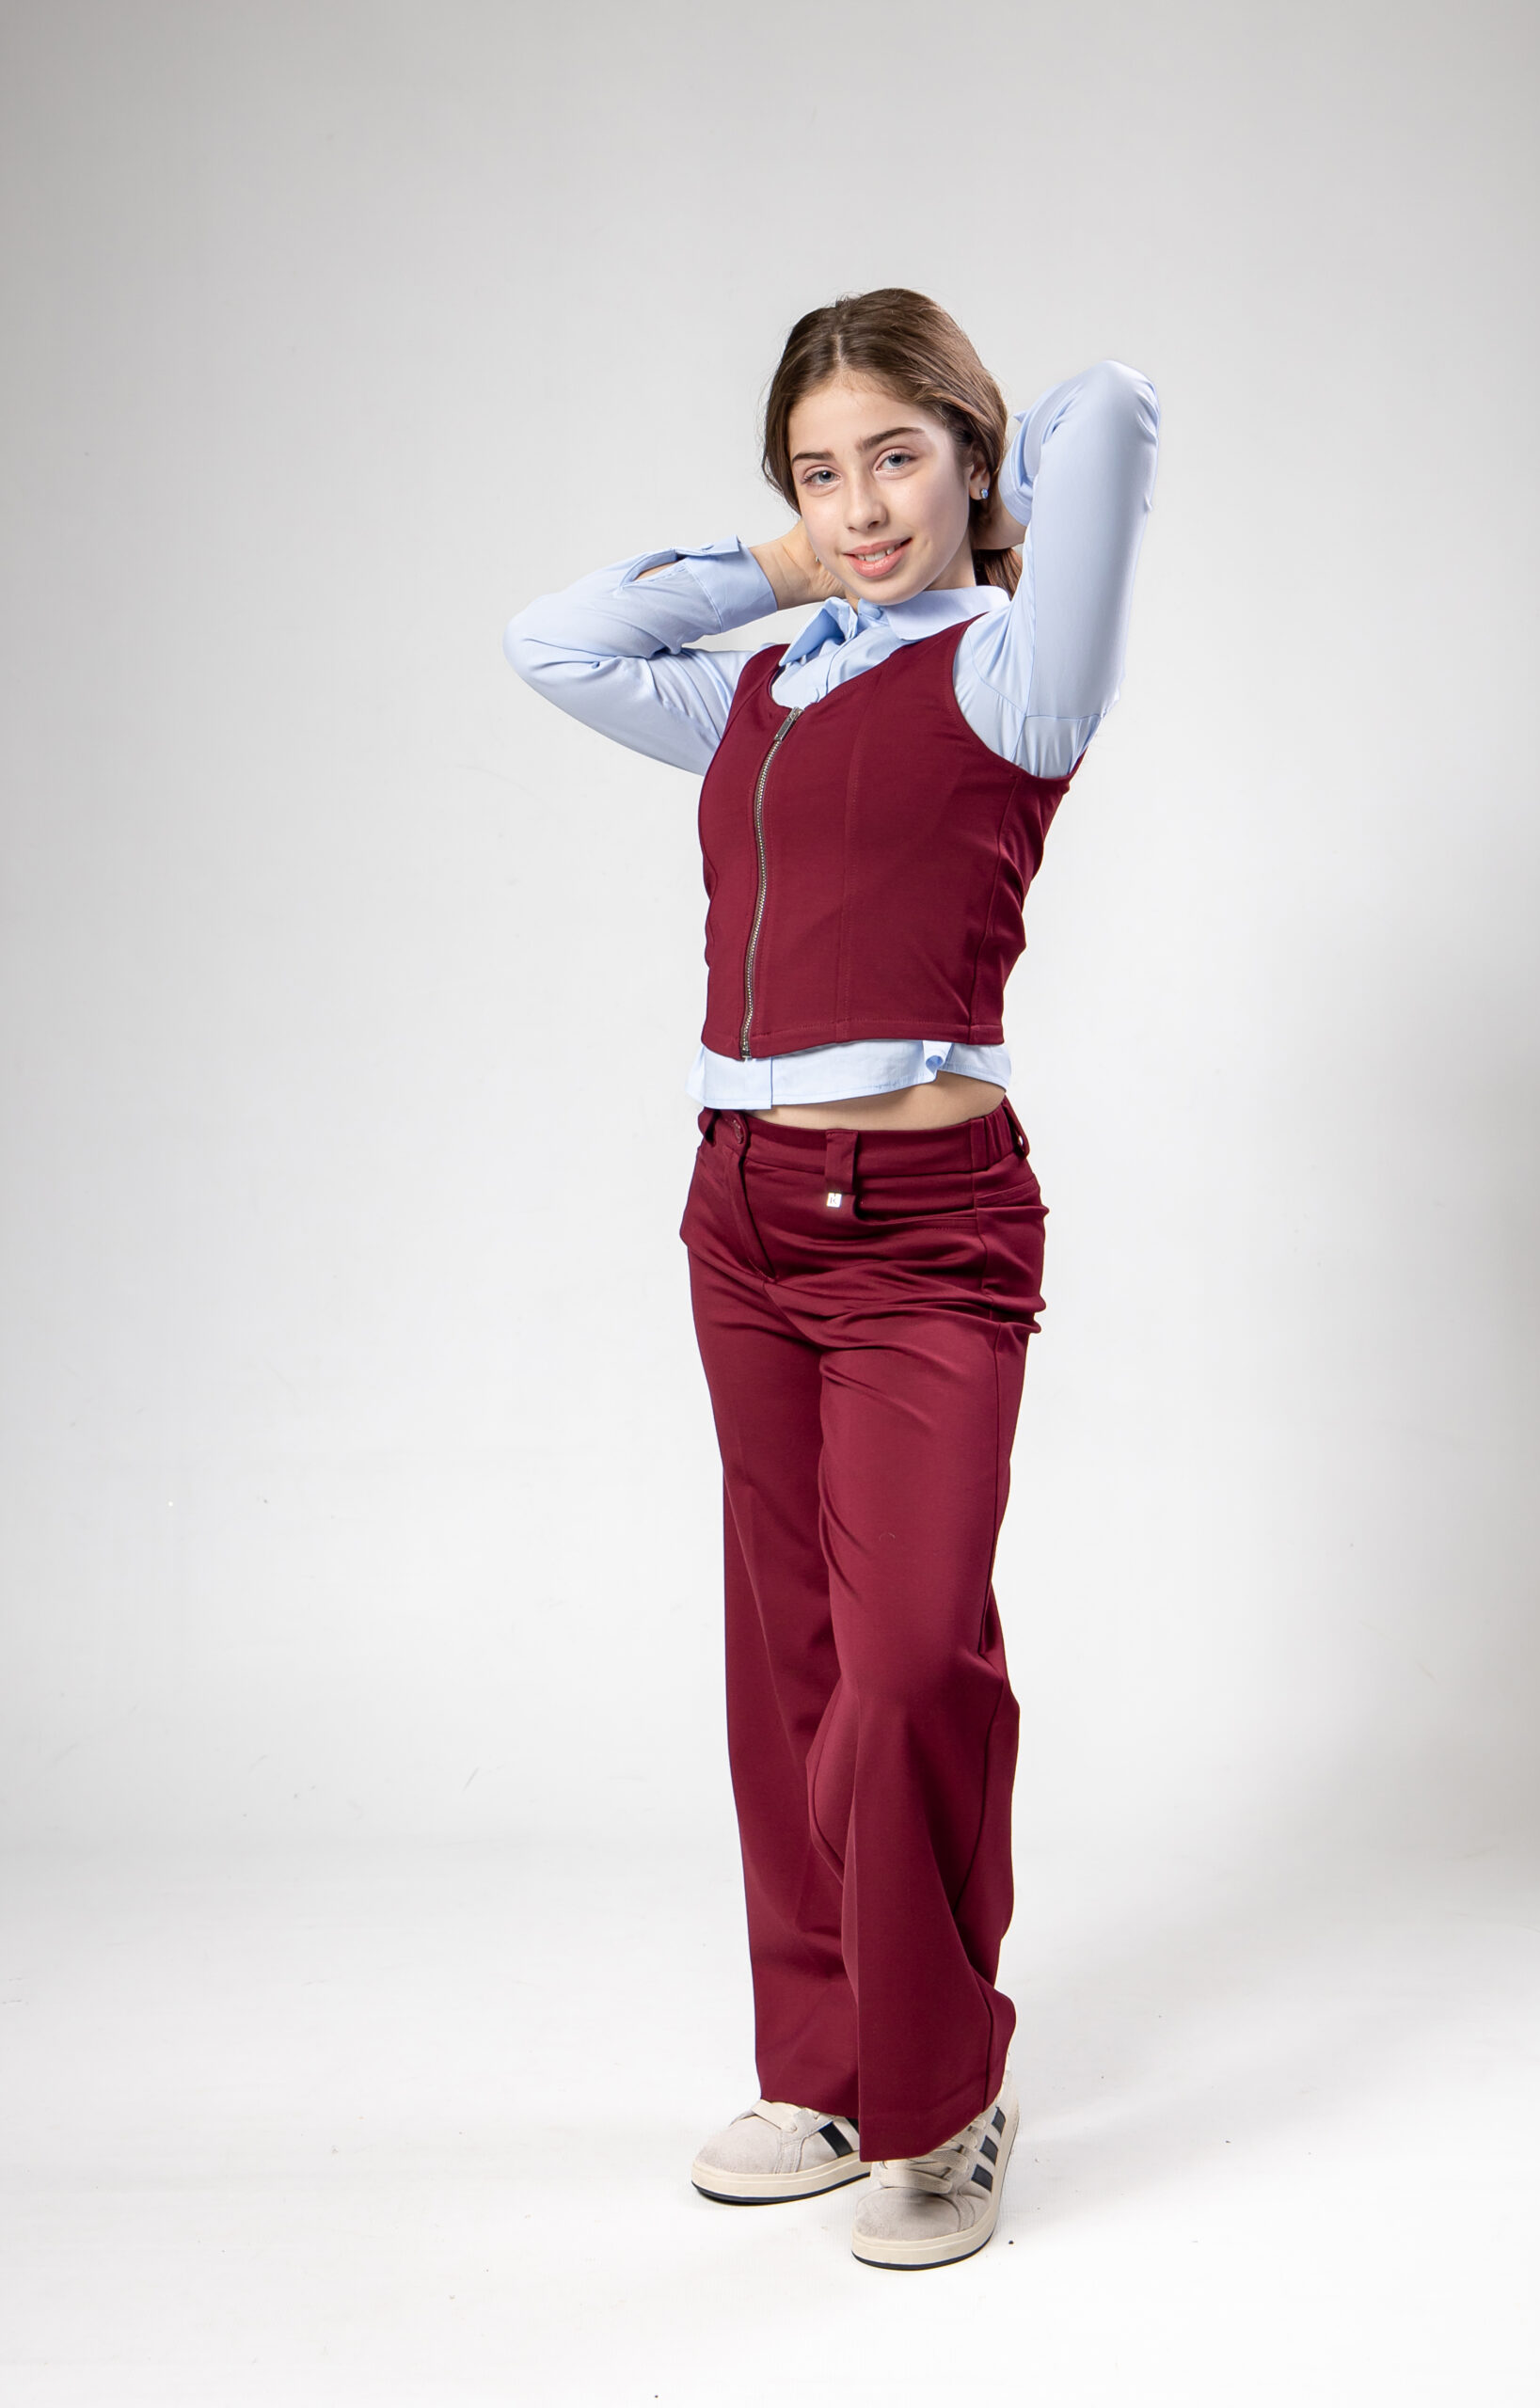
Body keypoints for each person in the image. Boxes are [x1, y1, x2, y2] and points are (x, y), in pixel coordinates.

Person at [503, 289, 1159, 2269]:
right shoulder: (765, 685)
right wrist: (790, 565)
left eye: (895, 457)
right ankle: (828, 2068)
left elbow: (1114, 409)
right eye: (818, 471)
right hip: (741, 1213)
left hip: (928, 1228)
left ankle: (945, 2093)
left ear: (968, 457)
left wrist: (980, 505)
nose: (861, 506)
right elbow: (558, 640)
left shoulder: (1016, 673)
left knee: (905, 1661)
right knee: (787, 1658)